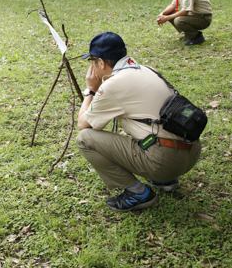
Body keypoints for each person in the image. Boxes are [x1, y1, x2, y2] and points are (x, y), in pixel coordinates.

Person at [75, 32, 201, 212]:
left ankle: (138, 193)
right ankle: (164, 181)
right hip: (192, 151)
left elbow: (83, 124)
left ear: (101, 63)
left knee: (85, 139)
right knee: (146, 124)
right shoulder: (146, 69)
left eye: (92, 61)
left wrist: (90, 90)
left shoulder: (112, 85)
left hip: (166, 162)